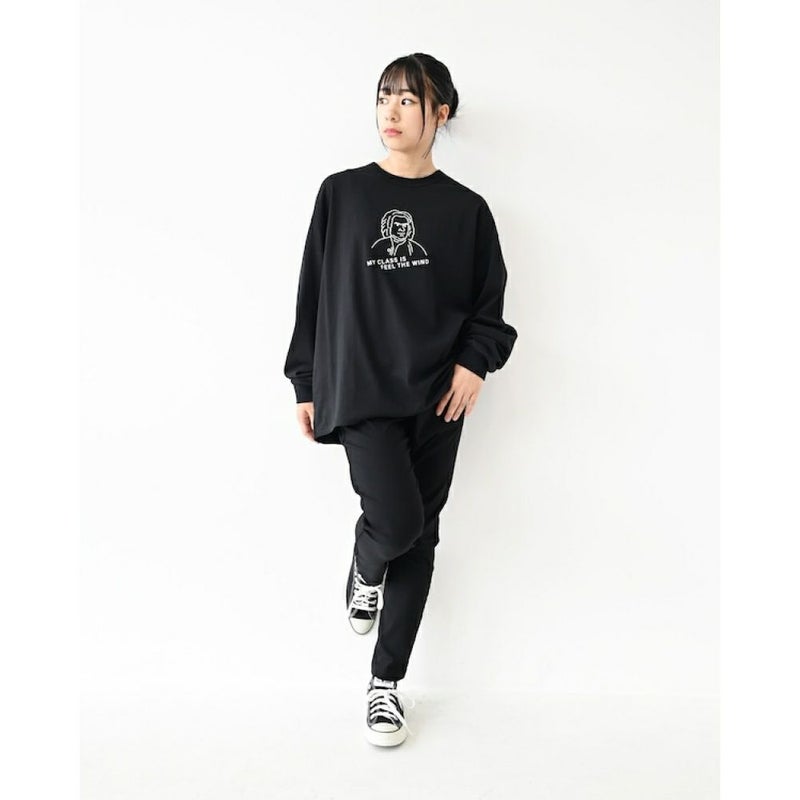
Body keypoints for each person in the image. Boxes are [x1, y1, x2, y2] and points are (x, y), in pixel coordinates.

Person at [283, 52, 518, 747]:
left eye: (408, 100)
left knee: (422, 536)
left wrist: (474, 365)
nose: (391, 111)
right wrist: (305, 381)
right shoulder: (343, 194)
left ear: (439, 114)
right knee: (397, 521)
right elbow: (313, 293)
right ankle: (366, 564)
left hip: (439, 398)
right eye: (385, 96)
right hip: (361, 390)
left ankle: (384, 686)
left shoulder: (467, 211)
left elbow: (489, 309)